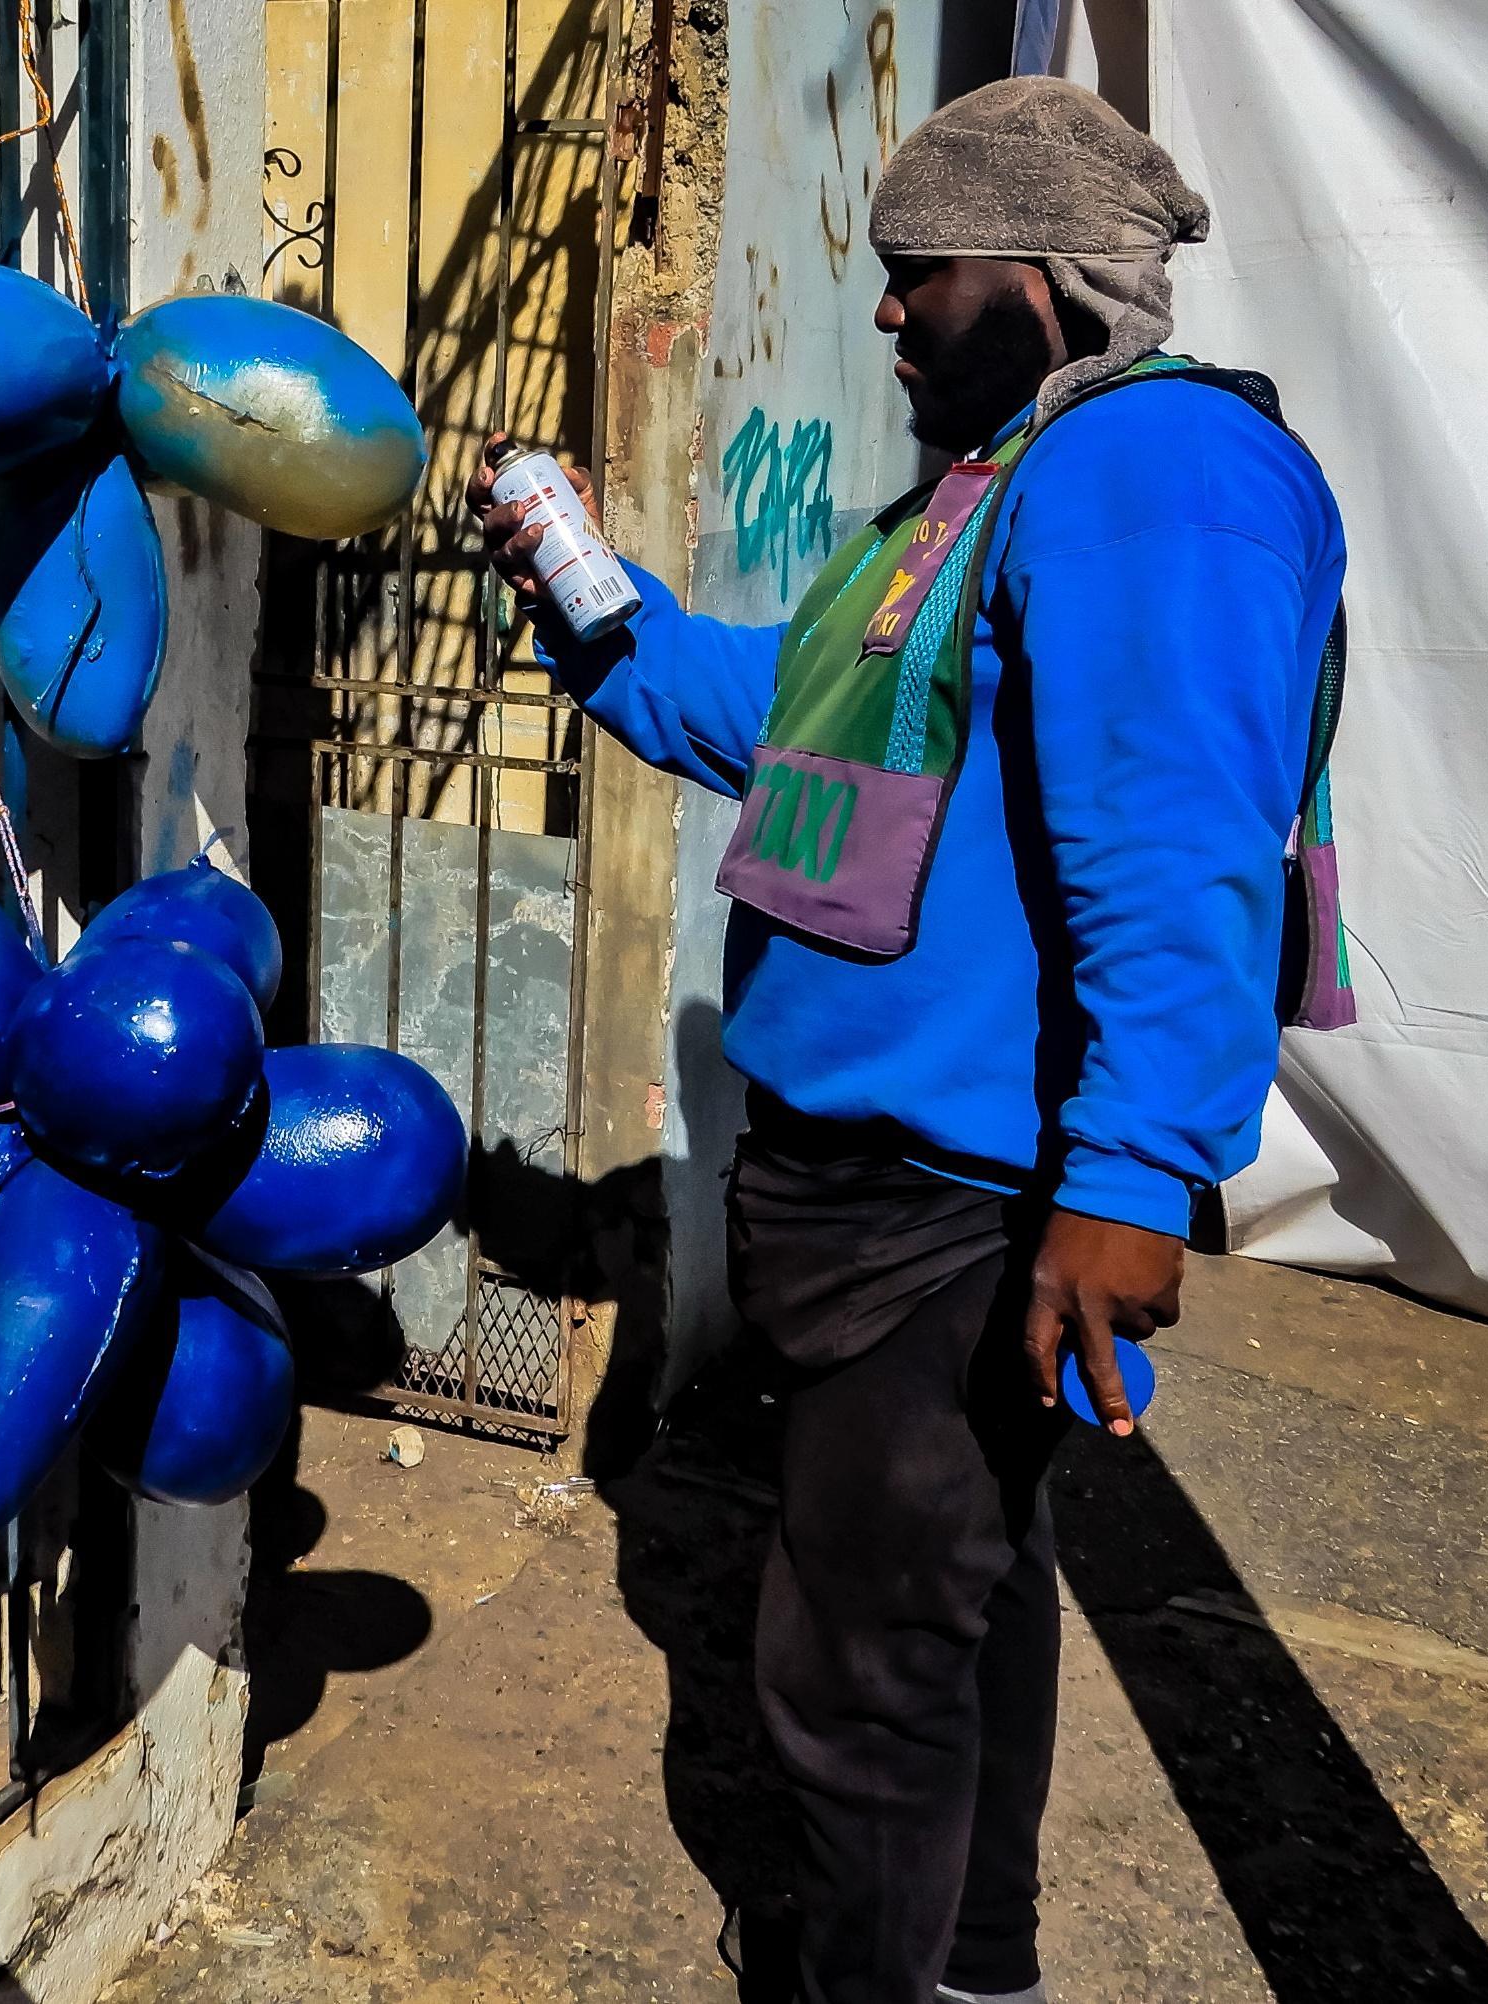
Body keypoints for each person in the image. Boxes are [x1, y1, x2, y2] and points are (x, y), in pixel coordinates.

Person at [466, 76, 1349, 2004]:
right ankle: (976, 1967)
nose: (882, 311)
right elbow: (794, 734)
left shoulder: (1153, 470)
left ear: (1038, 280)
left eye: (914, 274)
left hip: (955, 1196)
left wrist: (1130, 1179)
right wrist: (593, 605)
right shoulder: (973, 499)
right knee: (950, 1606)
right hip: (872, 1184)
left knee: (852, 1675)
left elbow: (1177, 844)